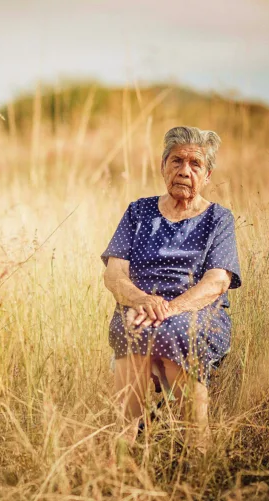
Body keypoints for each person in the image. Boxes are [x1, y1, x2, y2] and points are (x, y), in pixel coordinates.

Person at [101, 126, 241, 453]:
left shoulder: (219, 219)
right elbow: (114, 274)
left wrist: (169, 308)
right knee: (131, 328)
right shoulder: (139, 212)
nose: (184, 170)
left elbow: (218, 281)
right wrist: (143, 300)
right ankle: (124, 441)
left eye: (195, 164)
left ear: (207, 175)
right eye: (176, 161)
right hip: (140, 310)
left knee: (176, 331)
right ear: (163, 165)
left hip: (196, 313)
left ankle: (195, 442)